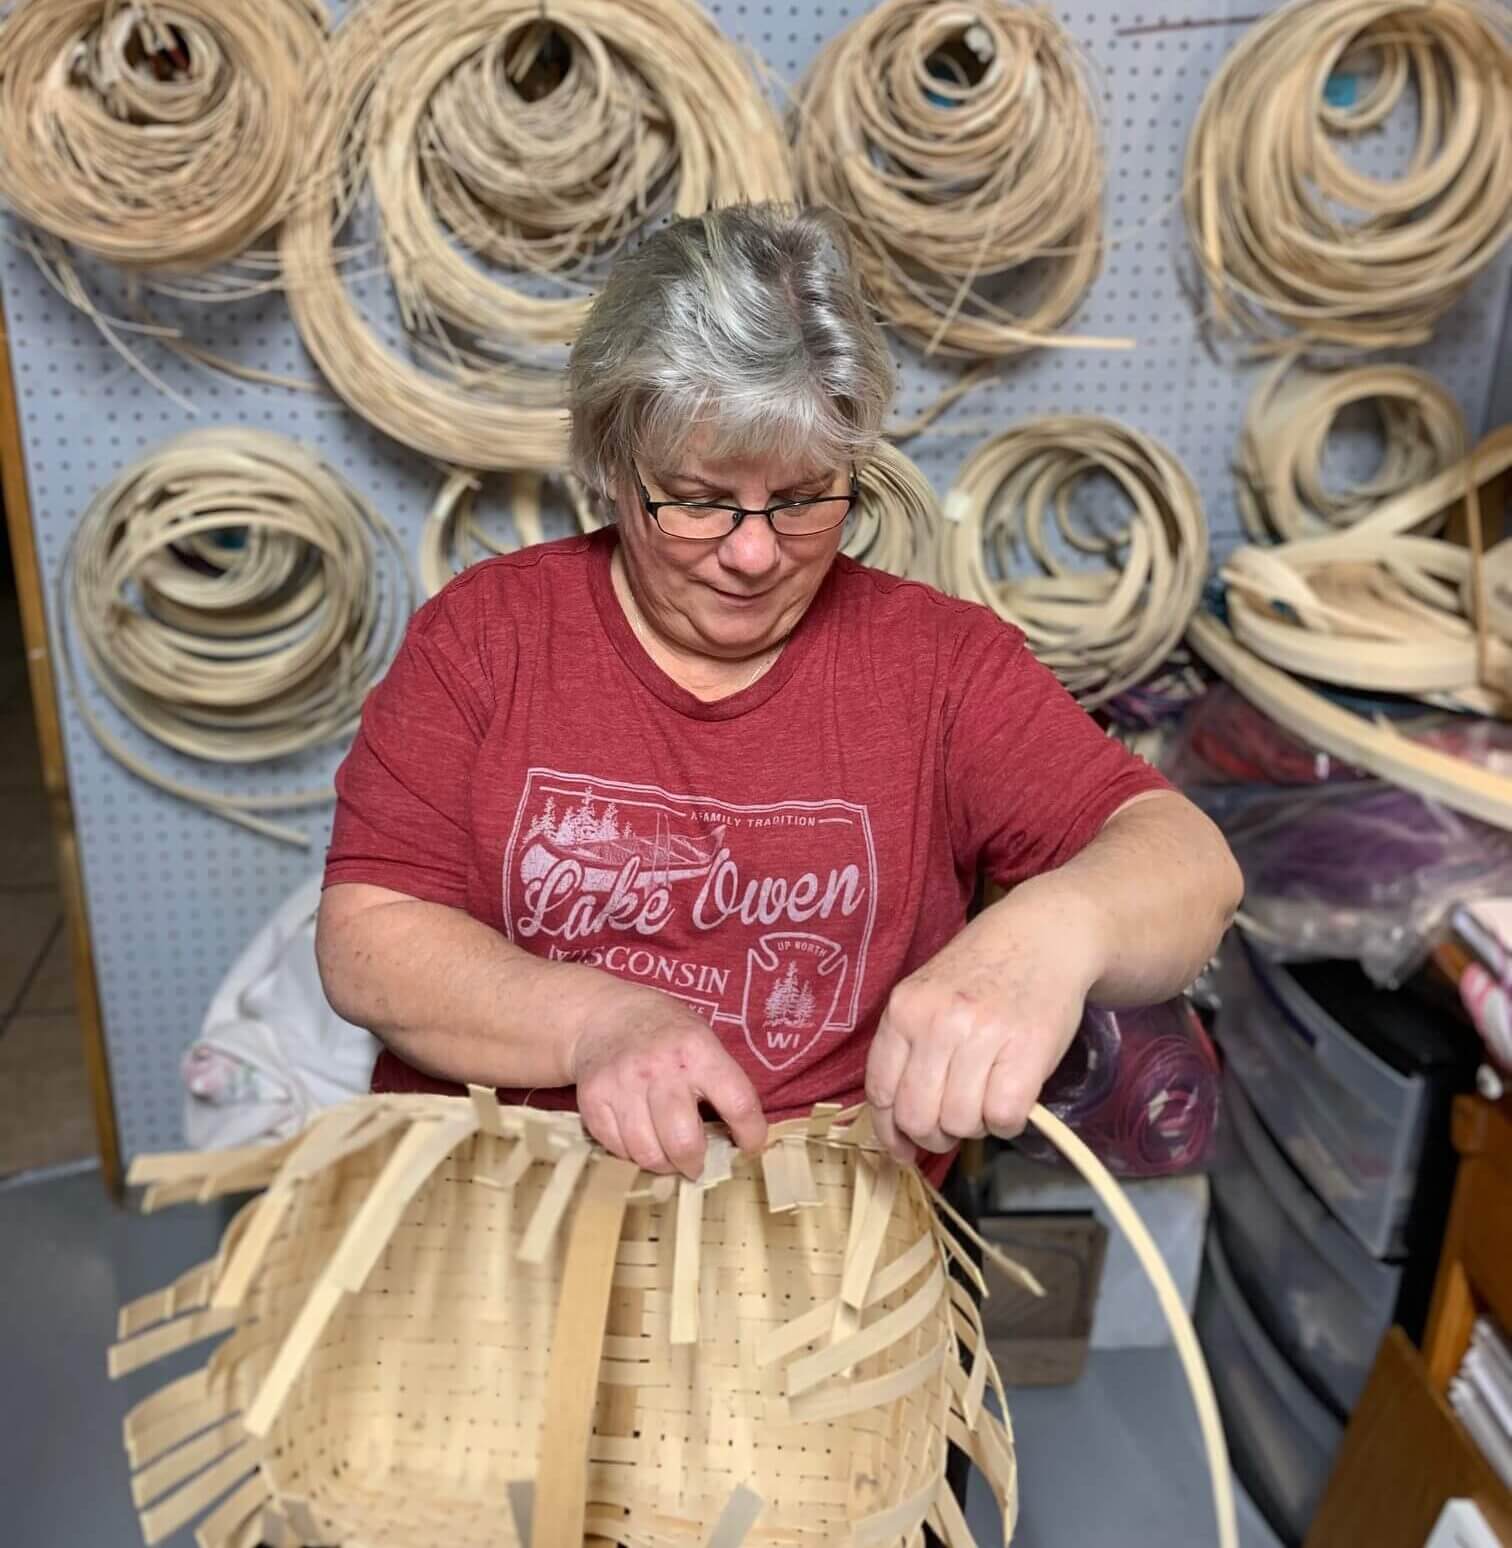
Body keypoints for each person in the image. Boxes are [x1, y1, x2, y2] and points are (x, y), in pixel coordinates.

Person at [315, 203, 1242, 1189]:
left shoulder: (937, 667)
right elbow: (369, 941)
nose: (755, 553)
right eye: (701, 500)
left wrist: (1059, 929)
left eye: (803, 499)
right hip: (511, 1206)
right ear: (611, 470)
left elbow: (1193, 868)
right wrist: (596, 1023)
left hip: (818, 1247)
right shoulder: (490, 635)